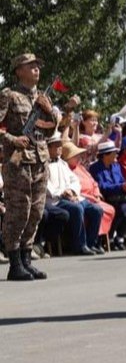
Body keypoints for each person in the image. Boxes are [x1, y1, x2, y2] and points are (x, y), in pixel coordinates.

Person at [0, 53, 60, 281]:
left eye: (37, 66)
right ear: (19, 71)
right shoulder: (9, 96)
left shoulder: (42, 97)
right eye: (31, 66)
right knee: (19, 211)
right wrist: (13, 140)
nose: (36, 69)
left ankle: (26, 259)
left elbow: (49, 131)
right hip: (18, 162)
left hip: (40, 160)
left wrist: (50, 111)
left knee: (36, 211)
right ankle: (15, 263)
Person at [47, 139, 104, 255]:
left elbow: (74, 180)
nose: (59, 148)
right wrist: (63, 192)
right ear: (49, 148)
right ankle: (79, 245)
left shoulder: (62, 163)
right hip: (56, 200)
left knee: (97, 209)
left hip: (71, 196)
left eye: (60, 145)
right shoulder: (44, 165)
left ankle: (90, 243)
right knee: (77, 209)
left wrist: (72, 191)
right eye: (56, 146)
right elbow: (46, 185)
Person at [89, 140, 126, 250]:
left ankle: (119, 238)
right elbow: (102, 187)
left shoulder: (116, 166)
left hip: (119, 197)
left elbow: (121, 181)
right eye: (114, 153)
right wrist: (121, 186)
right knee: (119, 210)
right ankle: (109, 238)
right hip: (106, 198)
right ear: (105, 155)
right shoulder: (95, 168)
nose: (116, 155)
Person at [66, 140, 116, 246]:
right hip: (82, 198)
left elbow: (94, 182)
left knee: (109, 209)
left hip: (93, 197)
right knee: (100, 210)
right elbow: (74, 190)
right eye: (75, 156)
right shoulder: (66, 170)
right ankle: (93, 242)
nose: (78, 158)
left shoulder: (80, 167)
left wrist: (97, 194)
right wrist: (91, 197)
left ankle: (96, 240)